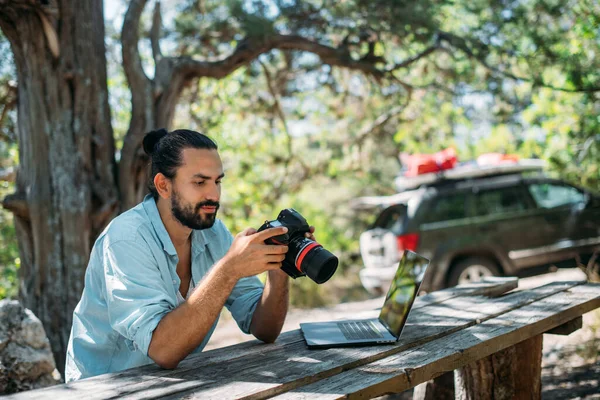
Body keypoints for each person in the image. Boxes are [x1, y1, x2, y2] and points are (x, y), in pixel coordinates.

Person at [65, 128, 315, 382]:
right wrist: (229, 269)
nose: (214, 195)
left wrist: (279, 265)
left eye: (217, 181)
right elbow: (163, 350)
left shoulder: (213, 232)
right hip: (103, 388)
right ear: (163, 185)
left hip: (175, 384)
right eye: (199, 182)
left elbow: (264, 328)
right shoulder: (125, 239)